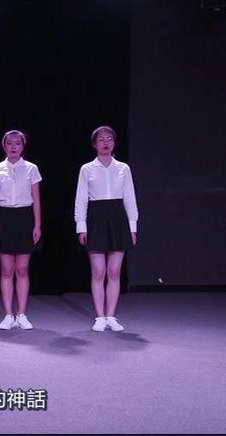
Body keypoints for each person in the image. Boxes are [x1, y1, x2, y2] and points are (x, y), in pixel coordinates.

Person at [74, 125, 138, 332]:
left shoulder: (123, 168)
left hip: (118, 218)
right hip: (96, 219)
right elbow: (81, 199)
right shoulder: (87, 169)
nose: (105, 142)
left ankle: (111, 315)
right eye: (101, 139)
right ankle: (99, 316)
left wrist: (132, 227)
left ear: (114, 142)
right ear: (94, 144)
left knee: (114, 271)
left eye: (109, 138)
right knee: (98, 271)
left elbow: (130, 199)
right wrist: (81, 226)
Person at [0, 130, 43, 330]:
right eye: (9, 143)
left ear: (22, 146)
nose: (13, 146)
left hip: (25, 217)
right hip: (4, 218)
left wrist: (37, 225)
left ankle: (22, 314)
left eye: (17, 143)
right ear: (4, 146)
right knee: (7, 269)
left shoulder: (31, 169)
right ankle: (8, 314)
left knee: (22, 269)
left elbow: (36, 199)